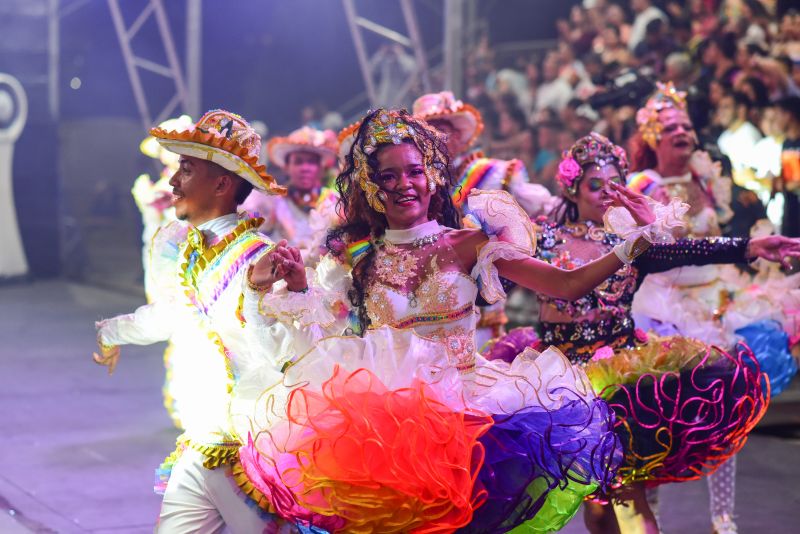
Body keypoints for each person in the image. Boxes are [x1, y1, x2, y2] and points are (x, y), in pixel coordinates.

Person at [237, 108, 678, 532]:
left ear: (431, 175)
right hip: (384, 423)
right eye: (387, 176)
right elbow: (319, 343)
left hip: (469, 413)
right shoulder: (357, 259)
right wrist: (295, 287)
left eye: (413, 171)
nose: (403, 185)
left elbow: (566, 285)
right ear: (371, 188)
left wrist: (639, 240)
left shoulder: (470, 244)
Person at [487, 132, 796, 533]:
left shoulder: (632, 241)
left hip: (620, 377)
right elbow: (491, 284)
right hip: (558, 380)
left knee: (625, 491)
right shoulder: (541, 237)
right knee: (588, 495)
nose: (605, 194)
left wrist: (750, 246)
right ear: (573, 187)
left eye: (615, 185)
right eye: (595, 184)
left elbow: (692, 250)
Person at [93, 110, 295, 532]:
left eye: (186, 170)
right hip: (202, 441)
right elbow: (168, 316)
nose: (173, 181)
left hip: (253, 451)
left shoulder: (258, 256)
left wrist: (257, 295)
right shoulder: (188, 248)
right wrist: (111, 333)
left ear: (222, 184)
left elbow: (281, 354)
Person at [631, 85, 800, 534]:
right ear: (653, 138)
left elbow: (715, 234)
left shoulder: (706, 177)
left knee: (729, 413)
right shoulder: (642, 188)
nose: (684, 132)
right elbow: (657, 251)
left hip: (717, 304)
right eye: (671, 127)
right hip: (663, 311)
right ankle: (653, 515)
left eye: (687, 125)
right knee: (654, 419)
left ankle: (723, 519)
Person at [411, 91, 555, 346]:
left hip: (481, 315)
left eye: (443, 130)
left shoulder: (493, 174)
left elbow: (539, 219)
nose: (436, 138)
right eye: (427, 131)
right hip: (424, 311)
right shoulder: (409, 183)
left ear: (459, 137)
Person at [242, 126, 340, 264]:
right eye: (298, 162)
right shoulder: (273, 203)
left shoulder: (335, 203)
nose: (305, 168)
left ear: (321, 167)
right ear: (286, 167)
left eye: (311, 162)